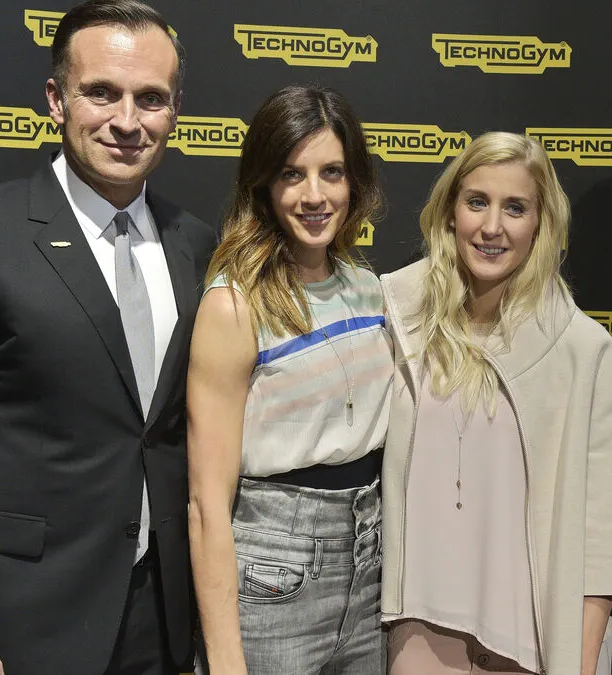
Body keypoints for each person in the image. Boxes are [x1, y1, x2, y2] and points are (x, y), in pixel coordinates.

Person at [0, 2, 215, 674]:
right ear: (56, 100)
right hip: (20, 629)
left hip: (163, 626)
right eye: (102, 93)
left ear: (175, 110)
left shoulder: (197, 244)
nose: (127, 121)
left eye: (150, 98)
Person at [378, 131, 612, 675]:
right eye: (477, 202)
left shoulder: (584, 354)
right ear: (450, 211)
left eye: (515, 208)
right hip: (417, 636)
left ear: (541, 224)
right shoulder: (397, 317)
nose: (492, 226)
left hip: (531, 649)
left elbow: (606, 549)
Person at [185, 84, 392, 675]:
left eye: (332, 172)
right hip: (272, 572)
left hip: (372, 564)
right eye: (292, 174)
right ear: (264, 186)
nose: (314, 195)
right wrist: (225, 659)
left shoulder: (368, 288)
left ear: (355, 182)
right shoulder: (234, 304)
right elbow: (206, 504)